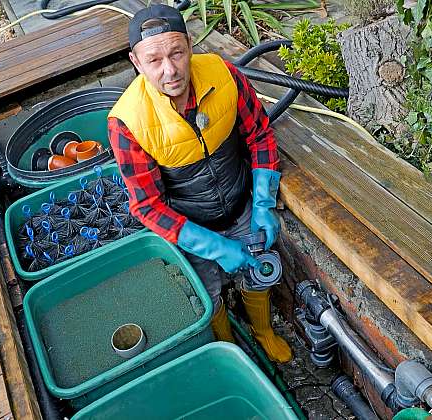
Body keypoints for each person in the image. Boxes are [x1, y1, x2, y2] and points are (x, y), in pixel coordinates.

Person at [108, 4, 292, 362]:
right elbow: (147, 206)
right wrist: (212, 246)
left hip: (241, 205)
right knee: (209, 293)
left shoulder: (222, 74)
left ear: (190, 45)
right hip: (189, 227)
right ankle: (229, 346)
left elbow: (260, 136)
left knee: (261, 270)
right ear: (135, 61)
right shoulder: (127, 121)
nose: (170, 70)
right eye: (154, 60)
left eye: (177, 52)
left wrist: (264, 205)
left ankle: (263, 331)